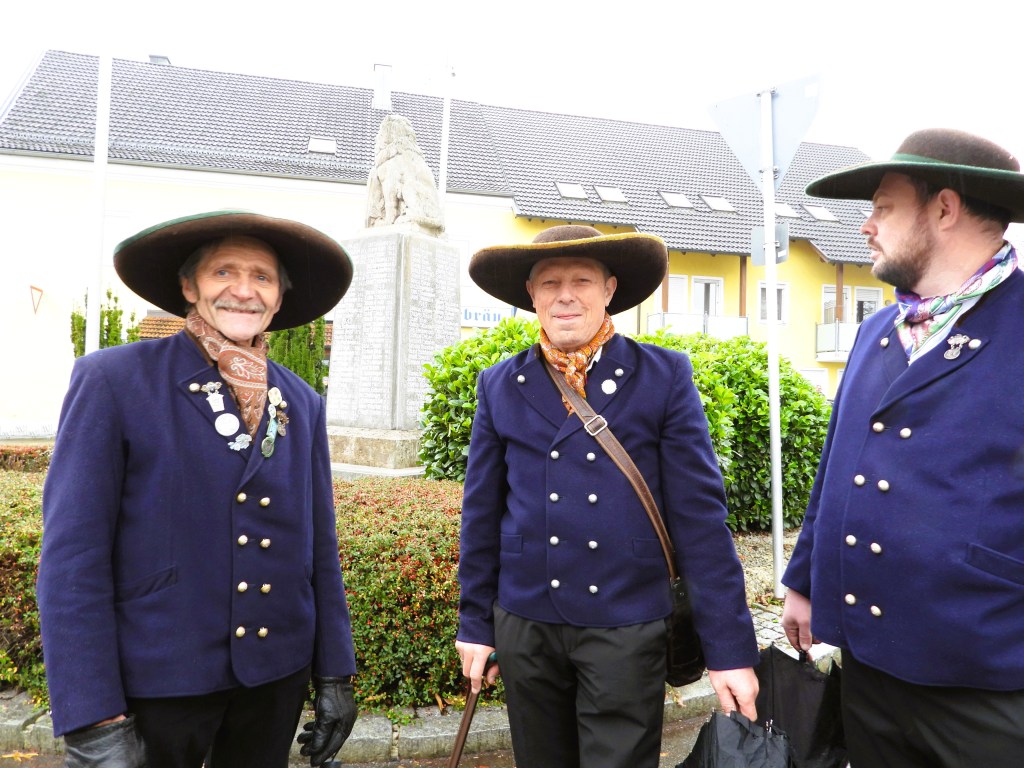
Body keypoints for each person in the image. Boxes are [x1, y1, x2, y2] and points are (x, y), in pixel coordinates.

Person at [37, 211, 359, 768]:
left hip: (273, 682)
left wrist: (334, 670)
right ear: (189, 286)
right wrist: (91, 719)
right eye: (223, 272)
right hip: (160, 683)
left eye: (262, 277)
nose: (243, 290)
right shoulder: (113, 380)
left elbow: (319, 548)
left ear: (280, 297)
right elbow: (71, 560)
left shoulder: (302, 401)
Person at [455, 225, 760, 768]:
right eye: (550, 282)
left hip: (626, 621)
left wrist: (730, 651)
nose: (565, 294)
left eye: (581, 280)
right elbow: (481, 514)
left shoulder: (663, 376)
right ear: (532, 295)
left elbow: (700, 521)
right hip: (527, 622)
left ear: (610, 289)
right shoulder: (499, 384)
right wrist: (476, 625)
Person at [781, 128, 1024, 767]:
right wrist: (803, 581)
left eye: (883, 207)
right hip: (869, 663)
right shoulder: (876, 332)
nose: (866, 227)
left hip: (988, 673)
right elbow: (838, 462)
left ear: (944, 208)